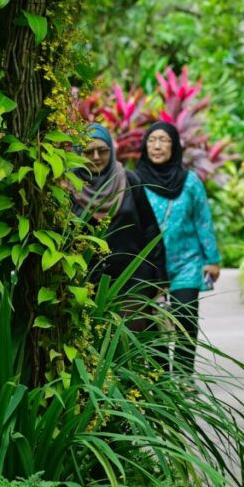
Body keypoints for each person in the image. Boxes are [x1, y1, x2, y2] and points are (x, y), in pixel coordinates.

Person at [131, 121, 221, 373]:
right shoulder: (134, 180)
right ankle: (161, 378)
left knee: (185, 318)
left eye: (164, 140)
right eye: (152, 140)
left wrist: (211, 259)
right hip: (150, 268)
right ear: (144, 146)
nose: (157, 146)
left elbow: (203, 220)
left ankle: (183, 376)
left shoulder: (190, 182)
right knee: (154, 324)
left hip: (186, 263)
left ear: (174, 146)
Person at [71, 123, 168, 303]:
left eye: (102, 150)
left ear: (111, 150)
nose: (96, 157)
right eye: (88, 152)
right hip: (86, 284)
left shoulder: (129, 180)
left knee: (132, 330)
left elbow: (150, 229)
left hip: (132, 281)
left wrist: (159, 279)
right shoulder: (71, 186)